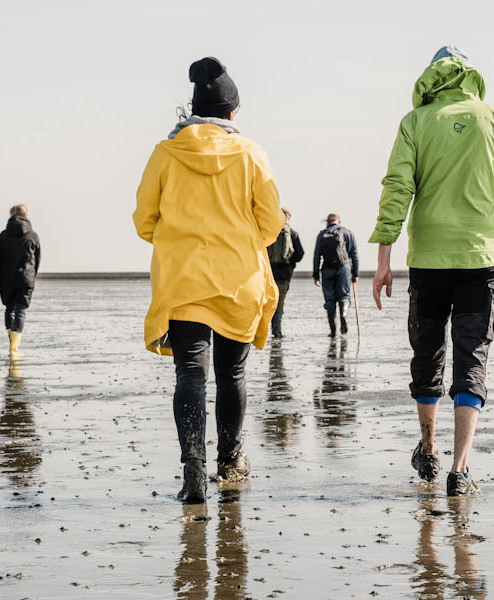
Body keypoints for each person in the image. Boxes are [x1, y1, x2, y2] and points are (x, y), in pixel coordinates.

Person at [370, 46, 494, 496]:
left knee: (427, 354)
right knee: (472, 358)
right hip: (479, 259)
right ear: (470, 76)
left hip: (427, 258)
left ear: (431, 77)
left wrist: (383, 259)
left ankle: (427, 447)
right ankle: (459, 469)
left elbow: (397, 188)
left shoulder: (414, 122)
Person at [134, 57, 283, 503]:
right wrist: (240, 238)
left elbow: (144, 221)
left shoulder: (165, 152)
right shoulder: (252, 153)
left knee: (190, 372)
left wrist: (178, 238)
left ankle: (193, 469)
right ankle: (229, 461)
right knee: (232, 371)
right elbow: (271, 222)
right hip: (238, 282)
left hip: (183, 281)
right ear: (232, 112)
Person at [0, 204, 41, 359]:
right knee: (21, 311)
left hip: (6, 278)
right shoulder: (33, 236)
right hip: (26, 279)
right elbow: (37, 260)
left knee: (9, 310)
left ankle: (12, 345)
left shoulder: (3, 235)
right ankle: (14, 348)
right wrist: (32, 277)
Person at [313, 213, 359, 337]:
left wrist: (316, 275)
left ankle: (333, 331)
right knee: (344, 296)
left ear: (327, 222)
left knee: (330, 300)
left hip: (327, 269)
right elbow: (354, 253)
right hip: (344, 268)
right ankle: (343, 315)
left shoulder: (322, 234)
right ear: (339, 221)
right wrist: (356, 273)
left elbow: (316, 255)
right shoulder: (347, 233)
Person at [266, 208, 304, 339]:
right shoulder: (292, 233)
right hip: (284, 275)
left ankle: (262, 331)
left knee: (267, 304)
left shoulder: (269, 232)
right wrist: (290, 261)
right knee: (279, 304)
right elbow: (300, 253)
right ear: (288, 218)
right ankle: (277, 331)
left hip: (269, 274)